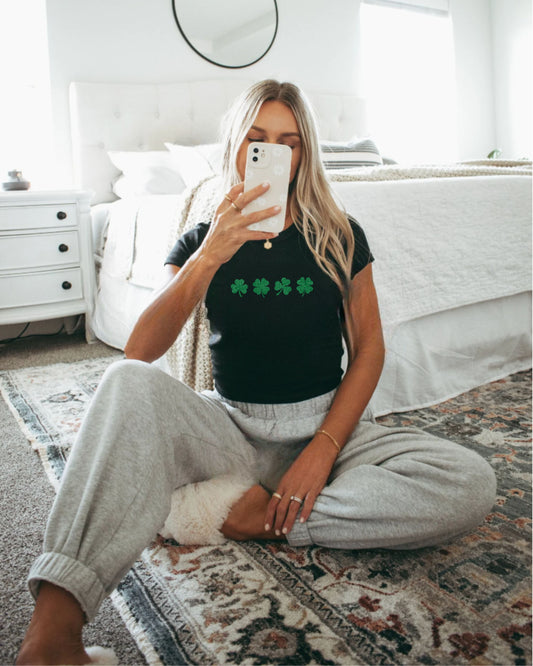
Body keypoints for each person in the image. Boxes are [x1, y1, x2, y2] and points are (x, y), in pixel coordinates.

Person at [17, 80, 496, 665]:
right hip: (230, 429)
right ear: (237, 148)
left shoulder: (341, 235)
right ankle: (53, 637)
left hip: (327, 432)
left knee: (468, 481)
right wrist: (211, 253)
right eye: (258, 140)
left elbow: (369, 348)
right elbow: (140, 350)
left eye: (289, 143)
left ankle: (252, 515)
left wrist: (322, 448)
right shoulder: (200, 237)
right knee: (124, 386)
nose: (273, 154)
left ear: (304, 154)